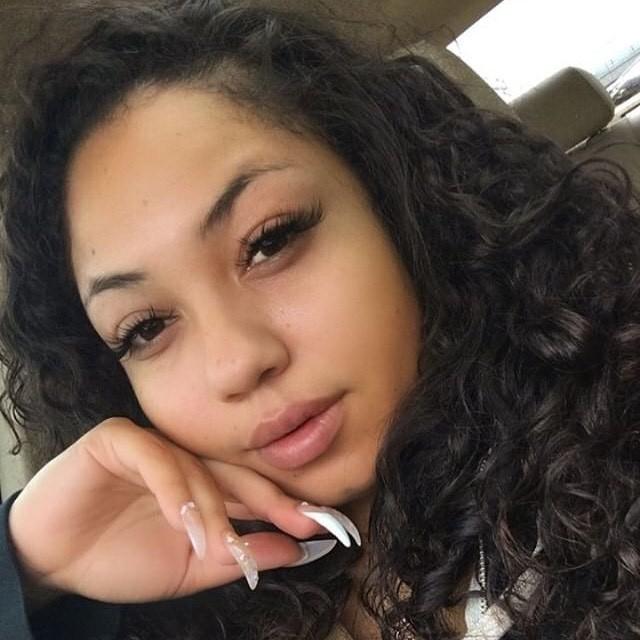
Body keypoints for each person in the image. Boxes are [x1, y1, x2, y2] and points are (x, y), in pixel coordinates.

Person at [1, 1, 639, 638]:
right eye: (145, 327)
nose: (235, 362)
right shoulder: (188, 600)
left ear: (399, 202)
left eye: (270, 241)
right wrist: (30, 569)